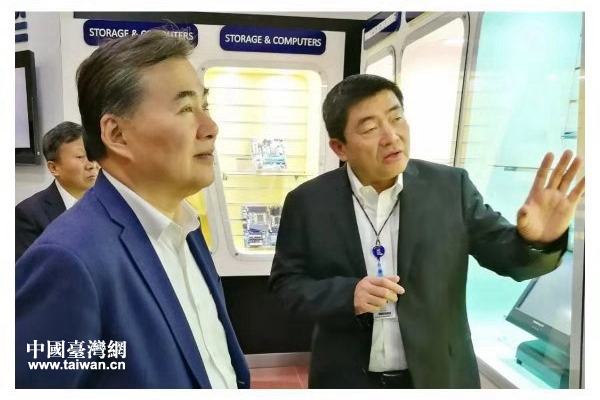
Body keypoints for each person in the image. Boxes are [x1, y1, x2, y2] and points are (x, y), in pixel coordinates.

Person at [268, 74, 585, 389]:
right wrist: (347, 295)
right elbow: (286, 286)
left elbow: (511, 260)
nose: (391, 136)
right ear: (340, 147)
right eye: (370, 128)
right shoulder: (308, 203)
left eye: (396, 118)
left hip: (439, 378)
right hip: (346, 378)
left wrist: (539, 240)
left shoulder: (451, 188)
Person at [16, 30, 249, 389]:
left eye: (205, 106)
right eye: (186, 109)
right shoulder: (69, 260)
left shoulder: (185, 227)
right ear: (117, 134)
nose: (210, 128)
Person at [15, 121, 98, 260]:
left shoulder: (110, 203)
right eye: (80, 157)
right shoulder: (29, 214)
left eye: (93, 155)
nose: (92, 165)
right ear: (54, 168)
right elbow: (31, 270)